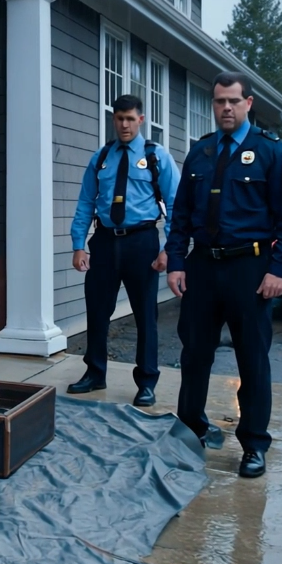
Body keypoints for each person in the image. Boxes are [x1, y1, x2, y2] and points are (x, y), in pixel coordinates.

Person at [165, 72, 282, 478]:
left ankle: (254, 444)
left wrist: (279, 270)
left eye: (233, 101)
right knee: (194, 355)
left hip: (251, 269)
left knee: (252, 360)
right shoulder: (201, 152)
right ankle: (191, 431)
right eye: (219, 102)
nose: (225, 108)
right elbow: (181, 216)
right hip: (203, 268)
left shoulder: (272, 152)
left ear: (249, 103)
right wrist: (176, 261)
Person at [68, 94, 181, 407]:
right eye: (119, 118)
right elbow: (85, 203)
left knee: (146, 314)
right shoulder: (102, 157)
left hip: (142, 242)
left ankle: (146, 381)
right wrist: (79, 244)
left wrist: (169, 249)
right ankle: (95, 373)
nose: (125, 124)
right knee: (97, 311)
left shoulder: (157, 157)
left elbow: (176, 205)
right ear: (113, 119)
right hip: (104, 241)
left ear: (141, 120)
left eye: (130, 118)